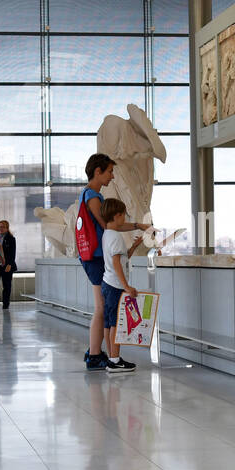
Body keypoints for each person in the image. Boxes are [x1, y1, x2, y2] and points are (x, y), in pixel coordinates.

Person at [78, 154, 148, 371]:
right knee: (102, 309)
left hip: (94, 257)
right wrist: (138, 225)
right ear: (97, 172)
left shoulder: (89, 194)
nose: (112, 175)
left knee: (102, 309)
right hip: (96, 258)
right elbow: (108, 224)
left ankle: (98, 353)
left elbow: (110, 225)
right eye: (109, 171)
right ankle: (96, 354)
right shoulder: (93, 196)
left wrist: (137, 226)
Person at [99, 198, 145, 373]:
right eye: (123, 216)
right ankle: (114, 360)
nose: (124, 219)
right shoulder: (116, 236)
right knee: (116, 324)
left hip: (108, 283)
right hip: (115, 285)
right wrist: (126, 286)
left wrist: (134, 246)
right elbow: (117, 263)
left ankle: (112, 357)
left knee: (108, 323)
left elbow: (123, 258)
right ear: (117, 216)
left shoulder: (107, 234)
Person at [0, 220, 16, 309]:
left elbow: (12, 253)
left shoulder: (11, 238)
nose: (0, 228)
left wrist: (9, 264)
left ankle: (5, 304)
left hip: (7, 266)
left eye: (2, 227)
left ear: (7, 228)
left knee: (6, 285)